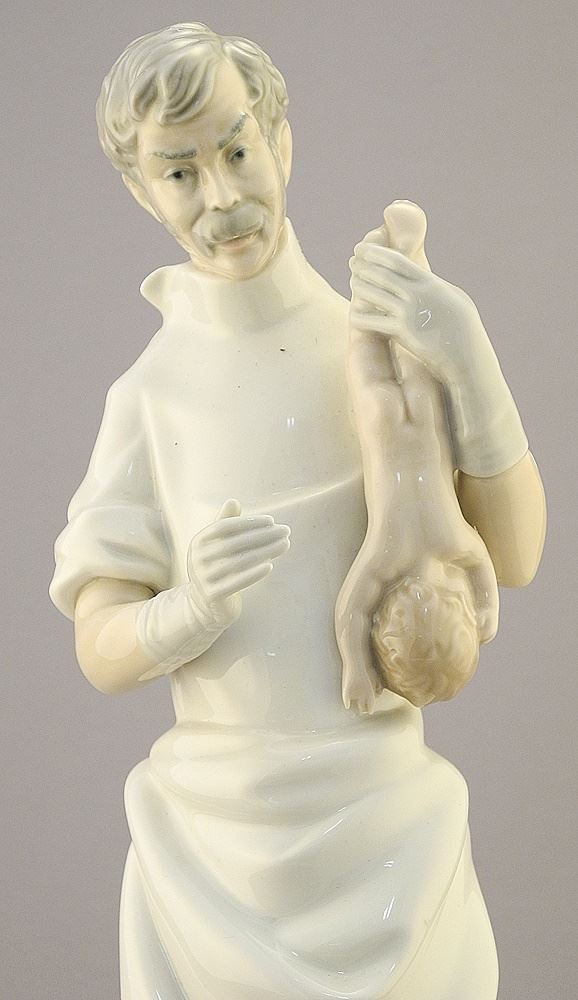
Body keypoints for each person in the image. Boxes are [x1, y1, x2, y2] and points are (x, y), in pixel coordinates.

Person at [49, 23, 546, 999]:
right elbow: (99, 646)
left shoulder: (386, 344)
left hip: (389, 836)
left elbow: (516, 552)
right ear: (143, 191)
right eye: (180, 173)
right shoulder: (148, 401)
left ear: (280, 139)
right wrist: (185, 610)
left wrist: (468, 354)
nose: (221, 198)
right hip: (212, 862)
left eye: (236, 151)